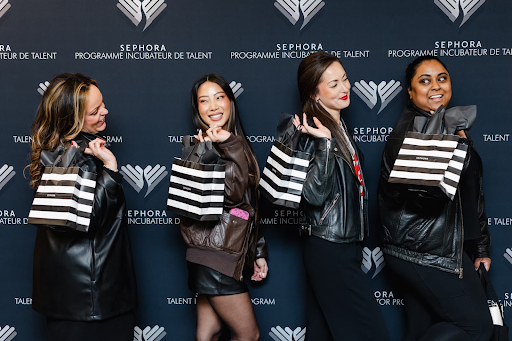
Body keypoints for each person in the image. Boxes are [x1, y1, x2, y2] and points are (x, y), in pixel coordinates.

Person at [378, 56, 493, 341]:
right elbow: (425, 199)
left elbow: (468, 193)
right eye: (424, 80)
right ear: (410, 90)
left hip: (441, 246)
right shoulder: (413, 134)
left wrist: (479, 247)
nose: (435, 86)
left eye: (441, 78)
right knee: (477, 327)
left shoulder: (448, 124)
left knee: (422, 329)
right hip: (425, 250)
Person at [29, 73, 137, 341]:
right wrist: (111, 168)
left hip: (79, 297)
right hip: (91, 298)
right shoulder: (76, 156)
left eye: (102, 104)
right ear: (73, 118)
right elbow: (89, 218)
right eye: (95, 110)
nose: (105, 112)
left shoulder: (62, 152)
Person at [293, 51, 389, 340]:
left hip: (340, 246)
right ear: (314, 92)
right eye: (333, 84)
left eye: (345, 79)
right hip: (329, 247)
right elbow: (312, 195)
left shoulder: (338, 128)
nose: (345, 88)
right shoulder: (311, 132)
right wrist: (323, 145)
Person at [179, 73, 268, 341]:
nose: (213, 106)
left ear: (230, 101)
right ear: (198, 109)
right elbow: (232, 194)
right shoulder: (202, 149)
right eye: (204, 101)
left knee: (209, 333)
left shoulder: (232, 140)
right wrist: (229, 145)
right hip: (217, 256)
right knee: (248, 335)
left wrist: (257, 250)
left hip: (217, 252)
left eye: (219, 97)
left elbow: (248, 203)